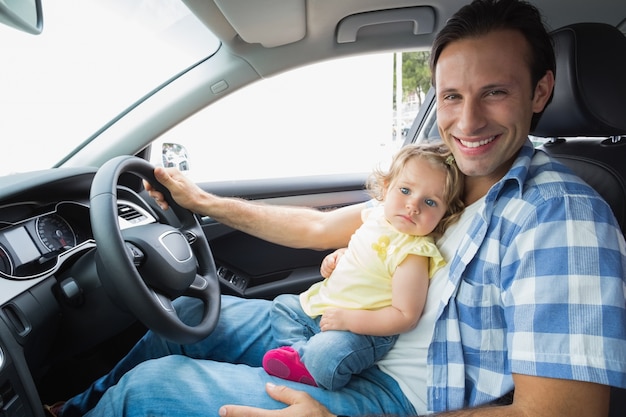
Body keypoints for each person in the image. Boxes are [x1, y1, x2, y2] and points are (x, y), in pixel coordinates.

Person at [48, 0, 626, 416]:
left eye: (495, 92)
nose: (468, 121)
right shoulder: (443, 179)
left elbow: (559, 412)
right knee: (177, 325)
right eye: (452, 96)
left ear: (541, 91)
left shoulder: (561, 219)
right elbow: (320, 225)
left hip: (387, 390)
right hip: (317, 322)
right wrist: (201, 201)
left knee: (152, 389)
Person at [262, 143, 464, 390]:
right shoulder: (377, 217)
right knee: (282, 305)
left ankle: (311, 364)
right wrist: (338, 257)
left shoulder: (413, 253)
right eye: (405, 190)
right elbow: (365, 253)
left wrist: (349, 320)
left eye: (430, 202)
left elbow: (405, 316)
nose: (413, 206)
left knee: (328, 355)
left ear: (444, 214)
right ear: (387, 187)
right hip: (327, 307)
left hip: (365, 330)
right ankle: (298, 353)